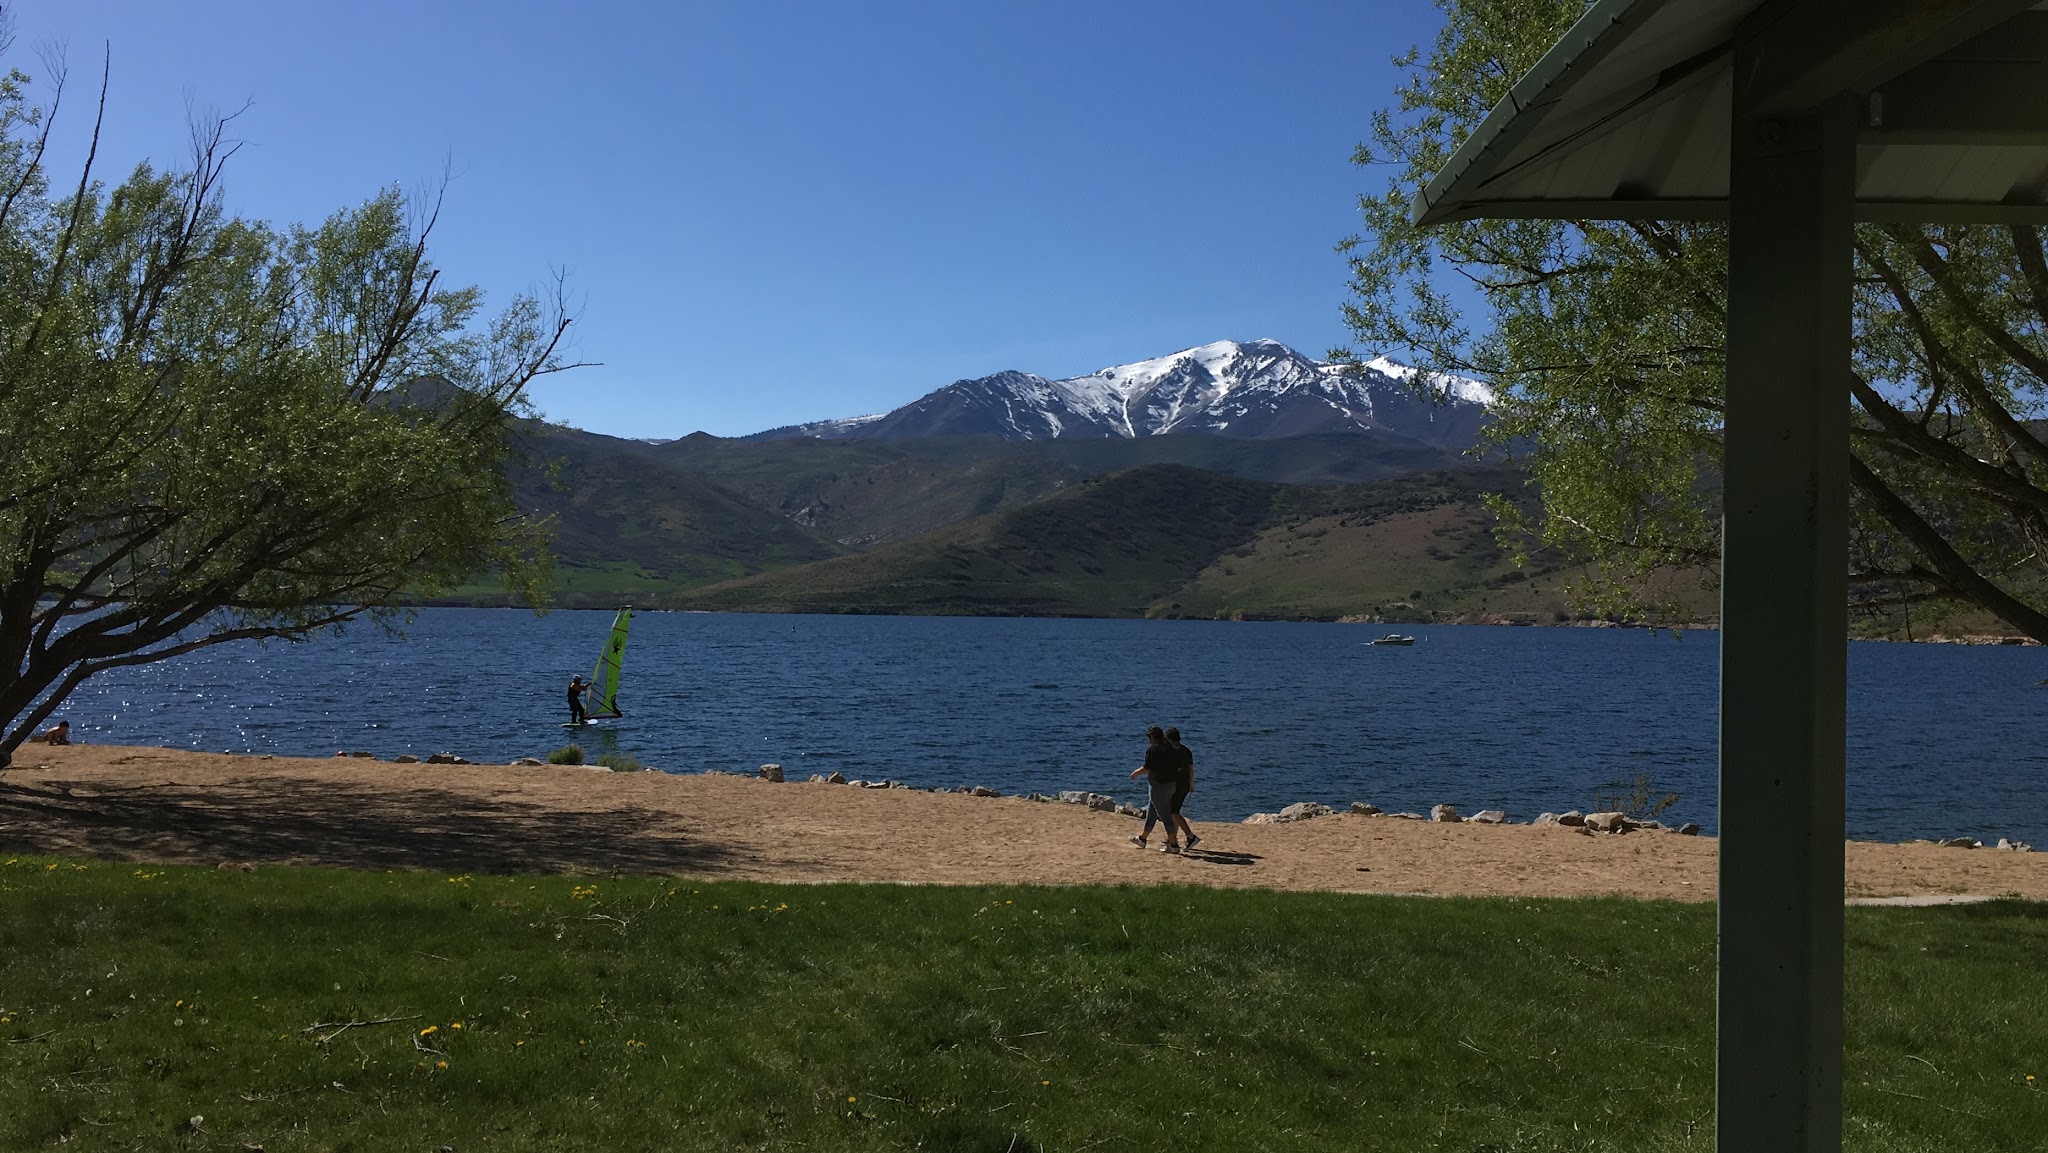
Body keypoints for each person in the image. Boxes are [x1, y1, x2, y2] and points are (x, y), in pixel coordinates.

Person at [1127, 725, 1183, 853]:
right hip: (1171, 785)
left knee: (1165, 816)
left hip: (1158, 786)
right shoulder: (1170, 748)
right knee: (1152, 811)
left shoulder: (1153, 750)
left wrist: (1136, 772)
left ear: (1151, 737)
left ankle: (1173, 845)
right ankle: (1142, 838)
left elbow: (1148, 767)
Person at [1165, 726, 1200, 850]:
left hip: (1176, 786)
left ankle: (1190, 836)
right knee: (1174, 812)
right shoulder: (1186, 750)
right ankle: (1171, 838)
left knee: (1173, 813)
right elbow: (1191, 769)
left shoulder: (1171, 752)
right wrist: (1191, 784)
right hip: (1184, 785)